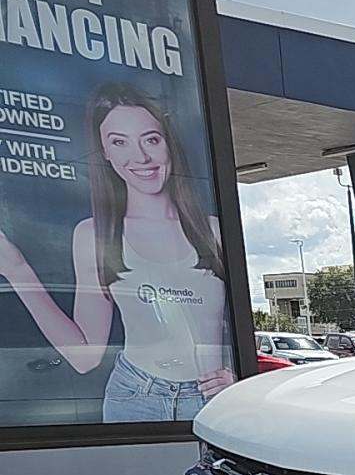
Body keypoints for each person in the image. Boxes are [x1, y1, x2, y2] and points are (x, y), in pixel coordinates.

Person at [0, 83, 233, 422]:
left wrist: (237, 374)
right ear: (104, 153)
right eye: (119, 142)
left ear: (168, 143)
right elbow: (85, 357)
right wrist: (18, 271)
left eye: (151, 139)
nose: (140, 157)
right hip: (135, 399)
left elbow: (245, 323)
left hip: (213, 401)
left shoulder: (213, 231)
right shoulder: (94, 234)